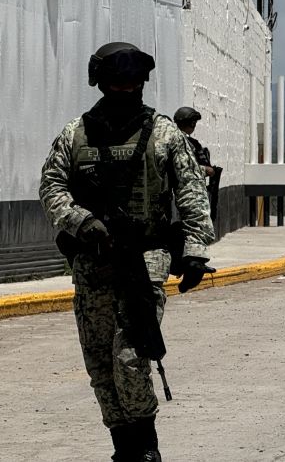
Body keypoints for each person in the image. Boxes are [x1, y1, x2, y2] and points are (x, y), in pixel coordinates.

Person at [39, 42, 216, 461]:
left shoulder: (165, 134)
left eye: (132, 82)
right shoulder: (75, 134)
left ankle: (147, 447)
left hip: (145, 259)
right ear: (100, 81)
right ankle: (125, 448)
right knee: (100, 364)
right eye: (117, 82)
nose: (125, 89)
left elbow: (192, 192)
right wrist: (82, 221)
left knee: (131, 356)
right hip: (92, 262)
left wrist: (194, 250)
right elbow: (51, 187)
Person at [174, 106, 222, 229]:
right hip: (188, 192)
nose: (194, 125)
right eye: (193, 122)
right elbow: (183, 167)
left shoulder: (185, 142)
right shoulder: (182, 142)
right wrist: (206, 170)